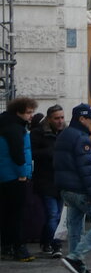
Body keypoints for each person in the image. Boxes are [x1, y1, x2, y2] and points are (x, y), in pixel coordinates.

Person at [54, 103, 91, 273]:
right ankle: (75, 258)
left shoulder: (64, 135)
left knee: (76, 227)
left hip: (67, 189)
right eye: (90, 118)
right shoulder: (81, 138)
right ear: (82, 119)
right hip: (81, 189)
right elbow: (87, 169)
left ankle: (79, 270)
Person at [0, 95, 37, 262]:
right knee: (17, 214)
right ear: (18, 112)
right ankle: (19, 248)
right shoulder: (15, 128)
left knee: (7, 214)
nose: (31, 116)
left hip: (5, 175)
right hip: (15, 177)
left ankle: (6, 246)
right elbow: (17, 153)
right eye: (28, 112)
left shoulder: (5, 123)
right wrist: (23, 174)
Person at [31, 103, 66, 258]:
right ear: (49, 119)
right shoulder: (39, 133)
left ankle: (47, 242)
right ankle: (55, 244)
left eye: (62, 117)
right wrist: (50, 152)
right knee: (53, 214)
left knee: (57, 215)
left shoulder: (65, 132)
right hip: (45, 180)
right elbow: (31, 153)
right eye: (56, 118)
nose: (60, 121)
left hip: (60, 180)